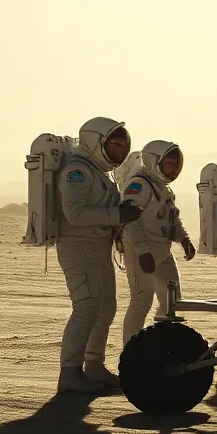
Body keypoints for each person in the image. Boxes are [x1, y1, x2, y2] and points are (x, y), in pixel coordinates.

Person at [56, 116, 142, 393]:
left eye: (123, 146)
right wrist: (117, 214)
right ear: (96, 142)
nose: (119, 151)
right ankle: (69, 373)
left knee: (106, 308)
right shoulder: (77, 171)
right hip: (78, 246)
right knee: (87, 308)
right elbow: (75, 213)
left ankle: (93, 366)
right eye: (114, 145)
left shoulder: (98, 172)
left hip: (98, 246)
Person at [119, 140, 194, 346]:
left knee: (172, 298)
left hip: (161, 252)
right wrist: (142, 251)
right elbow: (129, 220)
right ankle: (130, 353)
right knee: (141, 300)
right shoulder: (139, 184)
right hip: (141, 252)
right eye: (169, 164)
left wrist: (184, 238)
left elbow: (172, 218)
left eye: (176, 165)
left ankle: (161, 342)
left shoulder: (162, 188)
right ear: (155, 162)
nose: (173, 169)